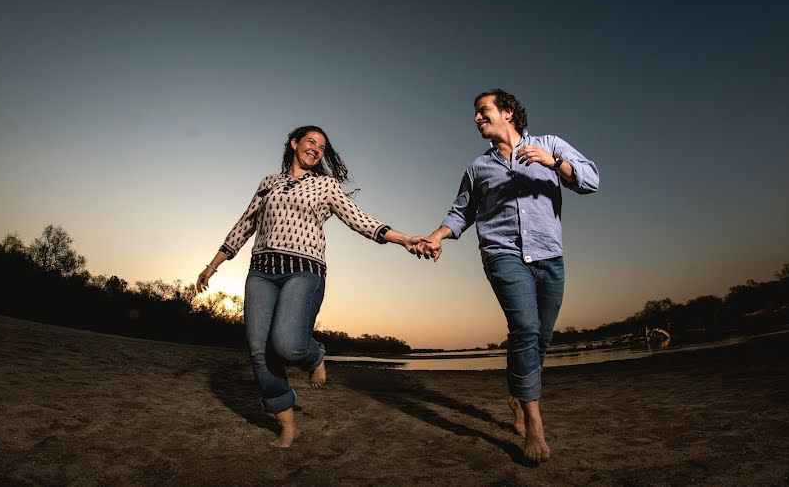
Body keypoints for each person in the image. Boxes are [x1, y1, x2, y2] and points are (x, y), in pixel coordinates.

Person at [196, 125, 422, 448]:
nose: (316, 148)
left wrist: (403, 239)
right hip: (261, 273)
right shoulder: (268, 184)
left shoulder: (326, 186)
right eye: (311, 141)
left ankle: (314, 355)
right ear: (295, 143)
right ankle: (287, 423)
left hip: (304, 271)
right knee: (259, 351)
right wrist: (212, 265)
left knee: (287, 344)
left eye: (322, 146)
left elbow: (360, 219)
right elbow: (244, 224)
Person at [416, 89, 599, 463]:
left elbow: (590, 180)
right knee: (525, 329)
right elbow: (460, 213)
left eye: (483, 111)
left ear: (508, 112)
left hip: (549, 255)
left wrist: (555, 162)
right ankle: (534, 425)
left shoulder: (548, 145)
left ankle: (517, 393)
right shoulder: (477, 169)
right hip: (502, 254)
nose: (476, 118)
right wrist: (437, 237)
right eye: (475, 113)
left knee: (542, 339)